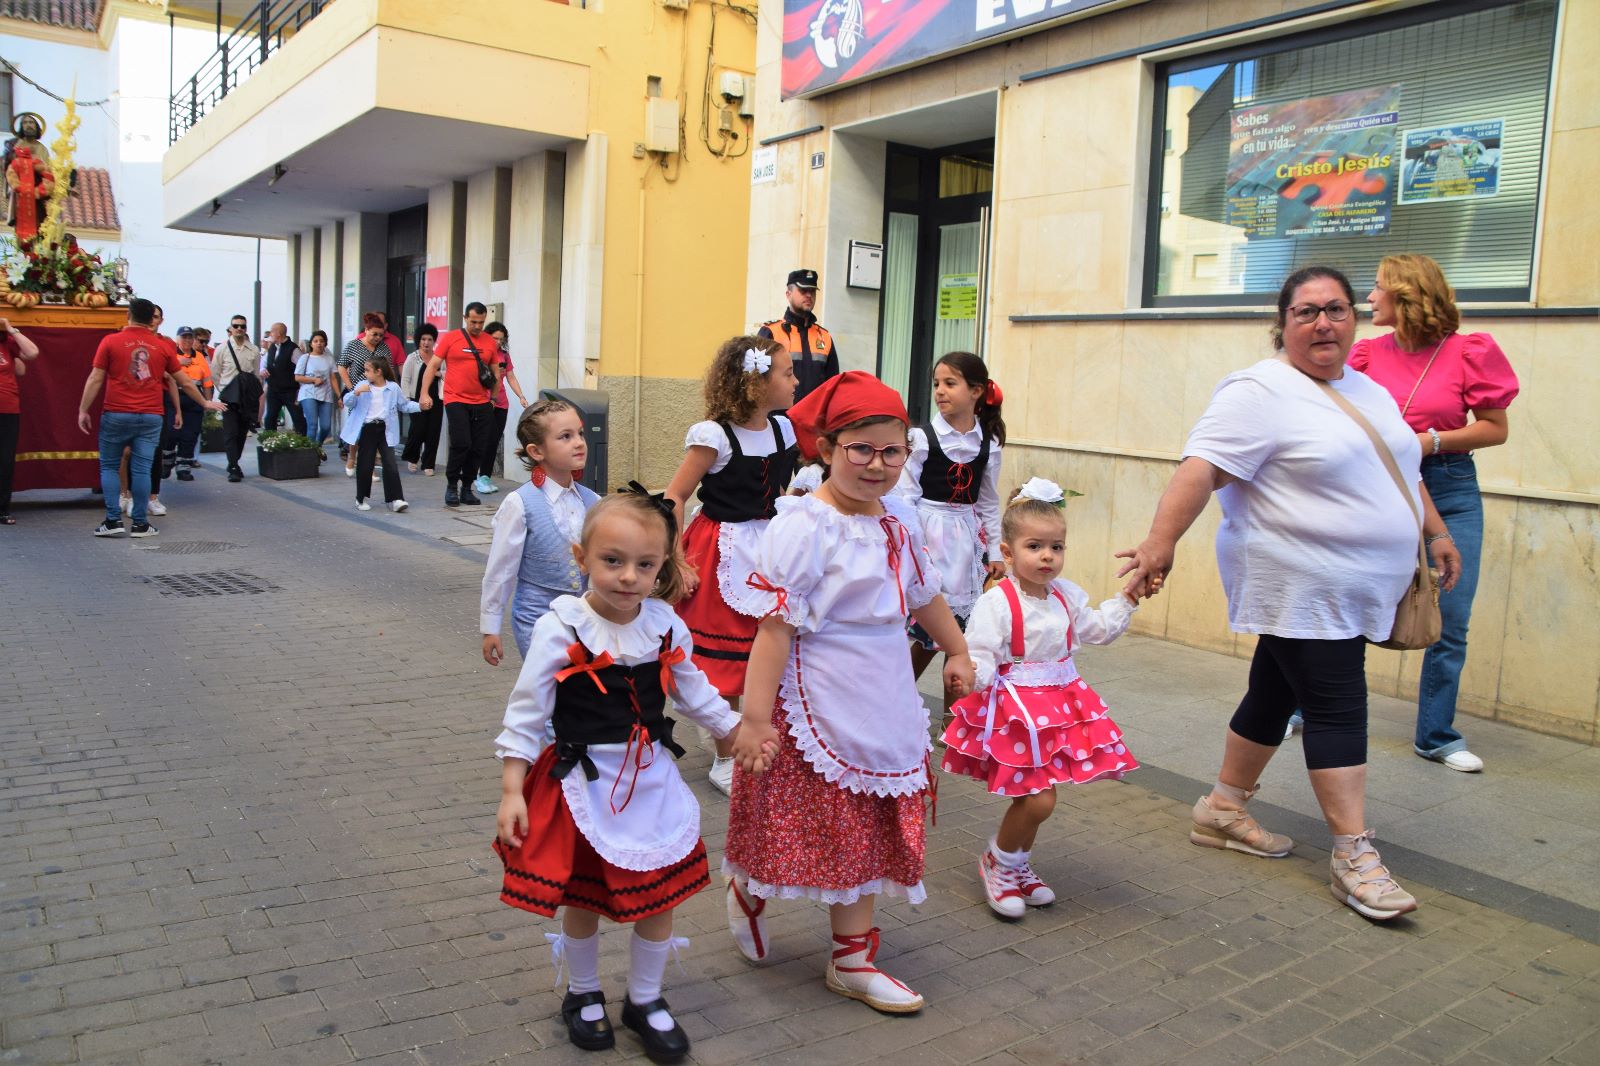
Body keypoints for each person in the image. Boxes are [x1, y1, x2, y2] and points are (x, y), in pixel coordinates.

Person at [1116, 266, 1463, 922]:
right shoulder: (1260, 390)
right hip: (1301, 583)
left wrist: (1435, 531)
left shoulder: (1368, 389)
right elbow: (1201, 468)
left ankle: (1222, 808)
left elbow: (1401, 468)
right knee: (1337, 703)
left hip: (1351, 586)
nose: (1322, 322)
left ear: (1354, 319)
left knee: (1274, 691)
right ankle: (1354, 855)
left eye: (1335, 309)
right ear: (1284, 324)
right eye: (1306, 312)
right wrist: (1161, 542)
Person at [725, 371, 974, 1013]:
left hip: (884, 686)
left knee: (864, 823)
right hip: (819, 687)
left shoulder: (900, 520)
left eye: (891, 451)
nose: (876, 464)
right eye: (860, 449)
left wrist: (958, 648)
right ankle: (750, 887)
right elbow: (775, 630)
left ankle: (852, 960)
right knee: (807, 822)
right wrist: (754, 719)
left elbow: (924, 594)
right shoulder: (805, 524)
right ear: (828, 448)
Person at [493, 488, 741, 1061]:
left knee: (657, 897)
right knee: (584, 897)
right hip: (583, 782)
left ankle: (646, 999)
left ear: (664, 567)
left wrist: (736, 732)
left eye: (645, 565)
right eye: (613, 561)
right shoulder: (564, 627)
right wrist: (512, 789)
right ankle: (583, 993)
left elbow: (694, 691)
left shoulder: (664, 624)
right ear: (581, 558)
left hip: (650, 780)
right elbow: (527, 711)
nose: (629, 577)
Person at [1350, 254, 1518, 774]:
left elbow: (1495, 427)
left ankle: (1436, 734)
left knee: (1453, 615)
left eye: (1377, 289)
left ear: (1406, 295)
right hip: (1374, 488)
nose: (1369, 298)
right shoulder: (1363, 355)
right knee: (1345, 604)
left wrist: (1431, 441)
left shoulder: (1469, 351)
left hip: (1449, 486)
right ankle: (1307, 706)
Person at [943, 479, 1140, 919]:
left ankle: (1014, 863)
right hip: (1018, 712)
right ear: (1009, 553)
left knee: (1036, 796)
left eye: (1057, 547)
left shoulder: (1065, 596)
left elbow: (1096, 630)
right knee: (1038, 799)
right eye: (1035, 546)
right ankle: (998, 861)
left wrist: (1127, 598)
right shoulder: (998, 602)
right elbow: (981, 652)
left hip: (1061, 709)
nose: (1048, 556)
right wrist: (971, 677)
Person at [664, 335, 798, 796]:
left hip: (771, 547)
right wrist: (675, 558)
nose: (795, 381)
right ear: (757, 384)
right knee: (725, 657)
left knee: (767, 648)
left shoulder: (785, 430)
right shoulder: (714, 436)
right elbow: (675, 495)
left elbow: (782, 492)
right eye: (787, 373)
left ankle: (750, 734)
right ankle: (725, 753)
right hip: (721, 546)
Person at [895, 351, 1007, 734]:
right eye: (937, 384)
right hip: (928, 534)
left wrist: (994, 550)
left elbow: (989, 501)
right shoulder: (921, 438)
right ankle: (893, 702)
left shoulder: (988, 443)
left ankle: (954, 723)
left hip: (965, 542)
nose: (940, 392)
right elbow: (905, 497)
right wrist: (912, 547)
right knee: (927, 633)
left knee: (961, 633)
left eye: (950, 383)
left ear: (976, 391)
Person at [78, 299, 223, 537]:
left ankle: (113, 520)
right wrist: (205, 401)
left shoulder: (111, 341)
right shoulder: (162, 346)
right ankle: (139, 523)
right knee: (143, 468)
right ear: (152, 319)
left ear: (129, 315)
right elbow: (183, 381)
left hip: (116, 412)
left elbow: (95, 378)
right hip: (151, 414)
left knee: (110, 466)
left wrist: (84, 409)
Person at [481, 399, 599, 664]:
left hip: (585, 621)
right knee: (548, 692)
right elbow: (501, 570)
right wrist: (491, 627)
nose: (579, 442)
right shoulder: (520, 503)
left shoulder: (592, 501)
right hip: (537, 619)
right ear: (536, 451)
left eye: (580, 433)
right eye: (565, 437)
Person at [419, 301, 503, 508]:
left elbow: (496, 374)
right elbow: (433, 366)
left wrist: (493, 398)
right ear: (465, 318)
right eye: (473, 321)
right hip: (455, 398)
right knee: (461, 443)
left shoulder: (489, 342)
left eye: (481, 323)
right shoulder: (451, 338)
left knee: (477, 447)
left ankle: (467, 488)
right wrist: (423, 394)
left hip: (482, 401)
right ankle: (451, 486)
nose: (477, 326)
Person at [340, 354, 418, 513]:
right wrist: (355, 392)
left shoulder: (393, 388)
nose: (365, 374)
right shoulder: (362, 385)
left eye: (368, 370)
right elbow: (348, 402)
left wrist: (421, 406)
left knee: (390, 463)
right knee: (365, 464)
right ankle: (360, 498)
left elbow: (404, 405)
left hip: (386, 429)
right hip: (368, 429)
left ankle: (395, 499)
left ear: (379, 372)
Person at [758, 268, 839, 406]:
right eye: (803, 290)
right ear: (788, 294)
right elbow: (756, 381)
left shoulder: (825, 337)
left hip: (814, 422)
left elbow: (834, 385)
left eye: (812, 291)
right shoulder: (770, 332)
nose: (809, 295)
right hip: (779, 418)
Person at [475, 321, 530, 496]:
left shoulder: (504, 356)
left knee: (494, 440)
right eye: (494, 338)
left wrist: (521, 396)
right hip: (483, 401)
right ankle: (477, 474)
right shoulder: (481, 353)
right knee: (485, 439)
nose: (497, 342)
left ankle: (484, 476)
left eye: (501, 339)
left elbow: (511, 377)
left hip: (501, 403)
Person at [338, 313, 392, 477]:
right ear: (366, 330)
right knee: (357, 430)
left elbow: (388, 370)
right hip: (359, 394)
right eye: (374, 334)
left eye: (380, 335)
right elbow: (341, 366)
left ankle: (371, 467)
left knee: (374, 432)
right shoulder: (353, 345)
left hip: (378, 395)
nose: (377, 338)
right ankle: (352, 457)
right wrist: (350, 387)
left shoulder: (384, 348)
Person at [0, 316, 41, 525]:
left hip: (7, 408)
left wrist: (10, 329)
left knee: (5, 461)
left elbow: (32, 353)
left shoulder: (6, 343)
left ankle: (2, 509)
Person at [212, 313, 261, 483]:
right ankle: (233, 466)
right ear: (230, 328)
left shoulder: (254, 350)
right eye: (236, 326)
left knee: (241, 432)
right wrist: (224, 390)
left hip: (246, 397)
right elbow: (215, 373)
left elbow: (255, 374)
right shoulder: (222, 349)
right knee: (230, 432)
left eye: (242, 326)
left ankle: (234, 460)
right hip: (229, 397)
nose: (239, 329)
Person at [171, 327, 213, 481]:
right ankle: (167, 460)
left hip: (194, 397)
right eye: (184, 337)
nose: (187, 341)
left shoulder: (200, 357)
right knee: (171, 432)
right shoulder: (171, 355)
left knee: (191, 434)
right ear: (177, 339)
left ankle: (183, 467)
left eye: (190, 338)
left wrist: (207, 402)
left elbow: (207, 381)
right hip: (174, 396)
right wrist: (178, 362)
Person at [401, 323, 442, 474]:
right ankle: (413, 458)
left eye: (430, 339)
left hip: (436, 399)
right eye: (423, 339)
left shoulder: (438, 358)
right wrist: (405, 399)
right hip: (416, 399)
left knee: (433, 432)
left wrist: (438, 373)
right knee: (418, 430)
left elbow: (447, 374)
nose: (426, 342)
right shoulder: (412, 358)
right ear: (419, 340)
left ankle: (429, 464)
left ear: (434, 341)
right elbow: (405, 379)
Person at [295, 330, 336, 459]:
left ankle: (317, 446)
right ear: (311, 344)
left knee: (325, 426)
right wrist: (313, 380)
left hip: (326, 394)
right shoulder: (305, 358)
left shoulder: (329, 359)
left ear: (325, 344)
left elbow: (333, 378)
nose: (319, 344)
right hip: (309, 393)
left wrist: (339, 395)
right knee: (312, 424)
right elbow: (298, 377)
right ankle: (309, 456)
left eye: (322, 341)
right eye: (316, 341)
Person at [261, 323, 306, 435]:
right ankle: (269, 443)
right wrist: (262, 369)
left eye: (272, 332)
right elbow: (263, 362)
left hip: (290, 390)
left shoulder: (293, 349)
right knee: (269, 418)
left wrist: (301, 389)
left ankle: (304, 443)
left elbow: (302, 368)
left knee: (297, 417)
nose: (270, 334)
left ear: (279, 333)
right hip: (273, 389)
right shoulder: (272, 347)